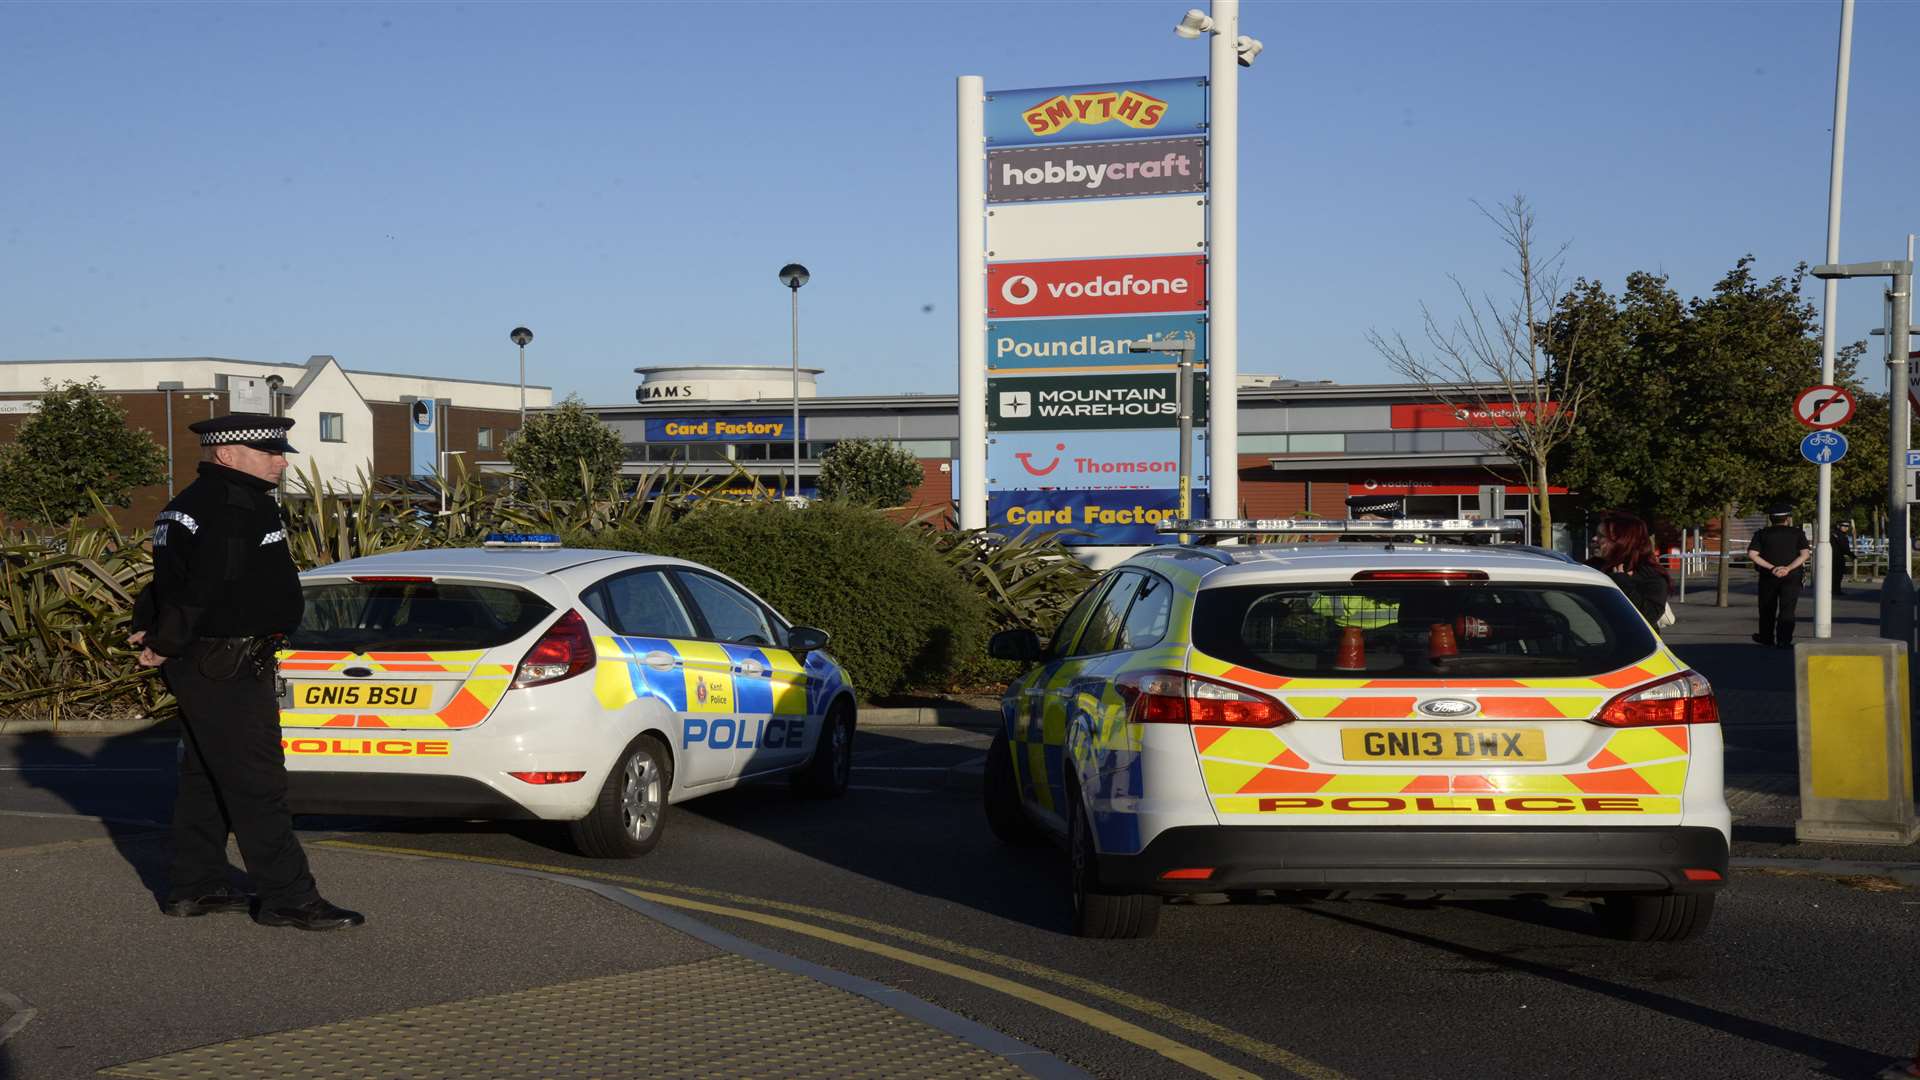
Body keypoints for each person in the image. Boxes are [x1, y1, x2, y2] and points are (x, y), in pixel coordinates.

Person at [128, 414, 364, 932]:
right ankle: (289, 898)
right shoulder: (236, 506)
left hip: (207, 659)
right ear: (228, 454)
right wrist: (164, 641)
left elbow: (170, 579)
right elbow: (202, 587)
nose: (281, 460)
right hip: (227, 662)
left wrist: (151, 627)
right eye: (270, 452)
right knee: (258, 782)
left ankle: (197, 886)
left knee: (205, 776)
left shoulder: (187, 505)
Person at [1586, 512, 1670, 627]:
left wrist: (1622, 583)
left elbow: (1648, 616)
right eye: (1596, 534)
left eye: (1601, 536)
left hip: (1634, 643)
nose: (1594, 539)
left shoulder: (1650, 576)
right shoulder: (1590, 568)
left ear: (1623, 541)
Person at [1746, 501, 1810, 649]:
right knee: (1787, 608)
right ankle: (1784, 639)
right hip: (1792, 576)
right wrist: (1788, 568)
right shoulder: (1797, 533)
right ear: (1787, 518)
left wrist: (1773, 568)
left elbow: (1752, 554)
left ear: (1771, 519)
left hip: (1769, 577)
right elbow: (1804, 554)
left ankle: (1766, 637)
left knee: (1767, 607)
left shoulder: (1761, 534)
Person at [1831, 519, 1855, 596]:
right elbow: (1844, 547)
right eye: (1844, 526)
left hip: (1837, 557)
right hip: (1836, 558)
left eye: (1847, 526)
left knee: (1837, 575)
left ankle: (1836, 590)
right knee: (1837, 575)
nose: (1846, 528)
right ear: (1838, 526)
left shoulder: (1838, 534)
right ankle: (1836, 591)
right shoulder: (1838, 535)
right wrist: (1852, 555)